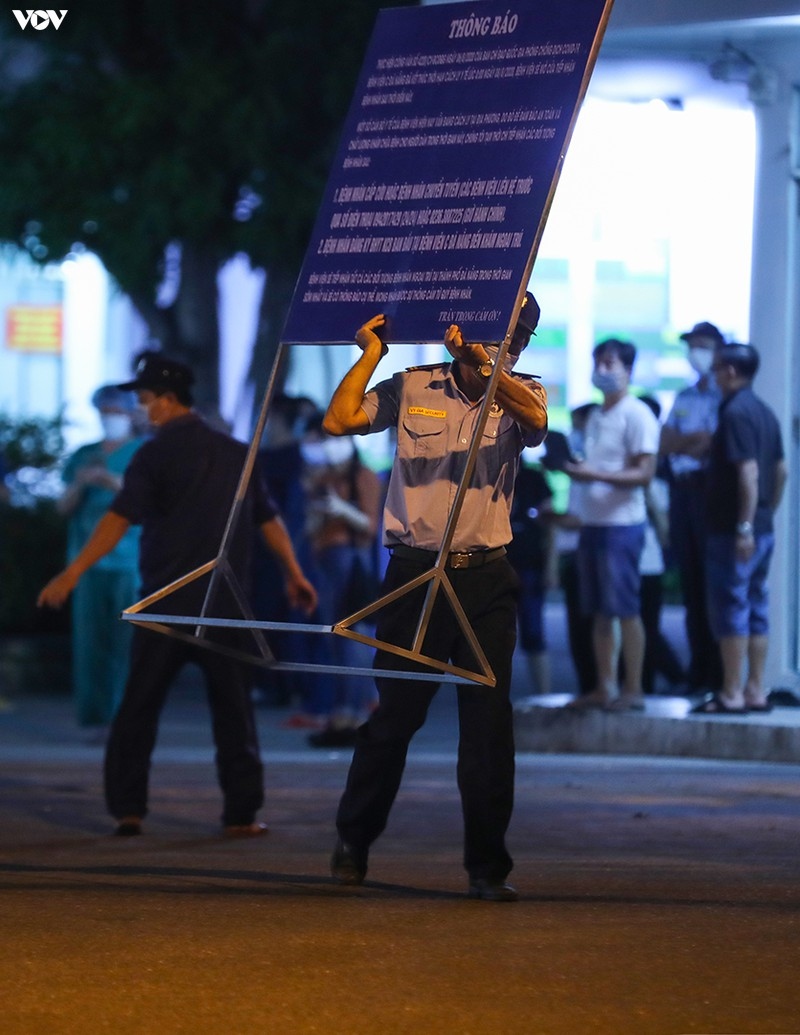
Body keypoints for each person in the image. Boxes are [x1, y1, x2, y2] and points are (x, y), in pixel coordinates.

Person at [322, 291, 547, 902]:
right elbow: (340, 420)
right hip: (415, 574)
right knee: (396, 717)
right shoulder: (414, 385)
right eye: (504, 336)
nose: (510, 348)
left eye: (518, 340)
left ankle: (487, 868)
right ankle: (353, 842)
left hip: (485, 579)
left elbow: (537, 423)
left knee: (488, 727)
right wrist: (370, 355)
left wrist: (488, 362)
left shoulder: (522, 390)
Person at [38, 354, 317, 837]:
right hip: (224, 604)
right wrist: (294, 572)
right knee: (234, 713)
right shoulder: (236, 452)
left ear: (167, 402)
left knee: (138, 710)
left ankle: (129, 809)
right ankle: (241, 814)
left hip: (164, 603)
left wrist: (73, 571)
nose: (140, 410)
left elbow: (118, 517)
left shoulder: (153, 454)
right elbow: (268, 518)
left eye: (144, 401)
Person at [564, 338, 660, 711]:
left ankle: (632, 687)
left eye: (610, 363)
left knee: (625, 608)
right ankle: (605, 686)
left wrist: (595, 474)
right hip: (593, 522)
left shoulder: (637, 414)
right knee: (599, 610)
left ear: (628, 370)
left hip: (623, 524)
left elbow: (645, 473)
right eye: (598, 363)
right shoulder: (596, 416)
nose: (602, 370)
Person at [692, 343, 786, 714]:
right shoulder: (764, 411)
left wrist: (744, 525)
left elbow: (749, 471)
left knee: (731, 607)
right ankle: (755, 690)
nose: (713, 375)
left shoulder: (734, 413)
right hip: (760, 526)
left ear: (730, 371)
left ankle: (731, 692)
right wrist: (765, 513)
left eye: (716, 369)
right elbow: (780, 471)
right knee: (757, 607)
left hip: (734, 530)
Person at [57, 386, 145, 733]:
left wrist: (111, 481)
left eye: (116, 411)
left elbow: (149, 500)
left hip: (129, 560)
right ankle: (94, 715)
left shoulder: (142, 454)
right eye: (104, 410)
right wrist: (80, 483)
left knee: (127, 642)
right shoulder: (84, 455)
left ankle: (126, 716)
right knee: (90, 642)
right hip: (86, 561)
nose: (110, 417)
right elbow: (63, 508)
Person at [300, 417, 383, 746]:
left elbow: (371, 525)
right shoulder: (323, 478)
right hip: (325, 560)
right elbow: (309, 528)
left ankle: (355, 710)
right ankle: (341, 712)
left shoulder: (362, 477)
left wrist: (341, 510)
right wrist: (318, 513)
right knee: (334, 637)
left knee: (354, 637)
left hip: (350, 560)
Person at [660, 321, 725, 694]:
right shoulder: (684, 396)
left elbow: (709, 445)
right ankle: (698, 671)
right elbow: (666, 443)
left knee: (712, 586)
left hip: (708, 494)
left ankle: (717, 673)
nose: (695, 352)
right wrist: (689, 442)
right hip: (682, 494)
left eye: (702, 345)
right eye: (691, 345)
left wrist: (686, 443)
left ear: (718, 349)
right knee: (691, 587)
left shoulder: (723, 396)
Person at [506, 457, 555, 695]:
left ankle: (544, 696)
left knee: (534, 633)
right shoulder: (486, 473)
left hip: (530, 565)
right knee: (494, 634)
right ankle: (491, 698)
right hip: (498, 565)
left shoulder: (533, 478)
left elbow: (550, 524)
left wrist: (551, 566)